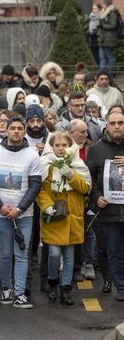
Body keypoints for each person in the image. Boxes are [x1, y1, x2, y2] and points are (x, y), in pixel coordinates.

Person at [0, 117, 42, 308]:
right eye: (12, 128)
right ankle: (6, 290)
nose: (16, 131)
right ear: (6, 130)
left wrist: (20, 208)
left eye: (19, 128)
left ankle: (19, 293)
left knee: (22, 254)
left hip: (24, 214)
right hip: (1, 213)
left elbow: (35, 185)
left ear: (24, 132)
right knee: (6, 253)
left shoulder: (32, 155)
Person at [37, 132, 91, 306]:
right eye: (57, 145)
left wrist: (70, 175)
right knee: (53, 254)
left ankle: (66, 289)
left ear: (70, 147)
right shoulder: (46, 165)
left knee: (69, 257)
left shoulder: (77, 164)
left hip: (72, 218)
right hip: (54, 218)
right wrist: (46, 206)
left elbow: (85, 189)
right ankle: (53, 282)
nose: (61, 149)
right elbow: (40, 190)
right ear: (51, 147)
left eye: (64, 145)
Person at [87, 111, 124, 301]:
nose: (117, 126)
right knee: (114, 252)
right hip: (108, 211)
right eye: (113, 123)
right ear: (106, 126)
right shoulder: (96, 149)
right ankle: (122, 288)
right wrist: (97, 197)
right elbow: (90, 179)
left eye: (120, 123)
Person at [98, 0, 119, 78]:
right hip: (103, 38)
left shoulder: (113, 12)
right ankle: (101, 74)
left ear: (106, 4)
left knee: (110, 56)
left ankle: (112, 74)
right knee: (102, 57)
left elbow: (113, 25)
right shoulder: (104, 12)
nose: (102, 5)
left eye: (103, 3)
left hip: (109, 38)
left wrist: (103, 26)